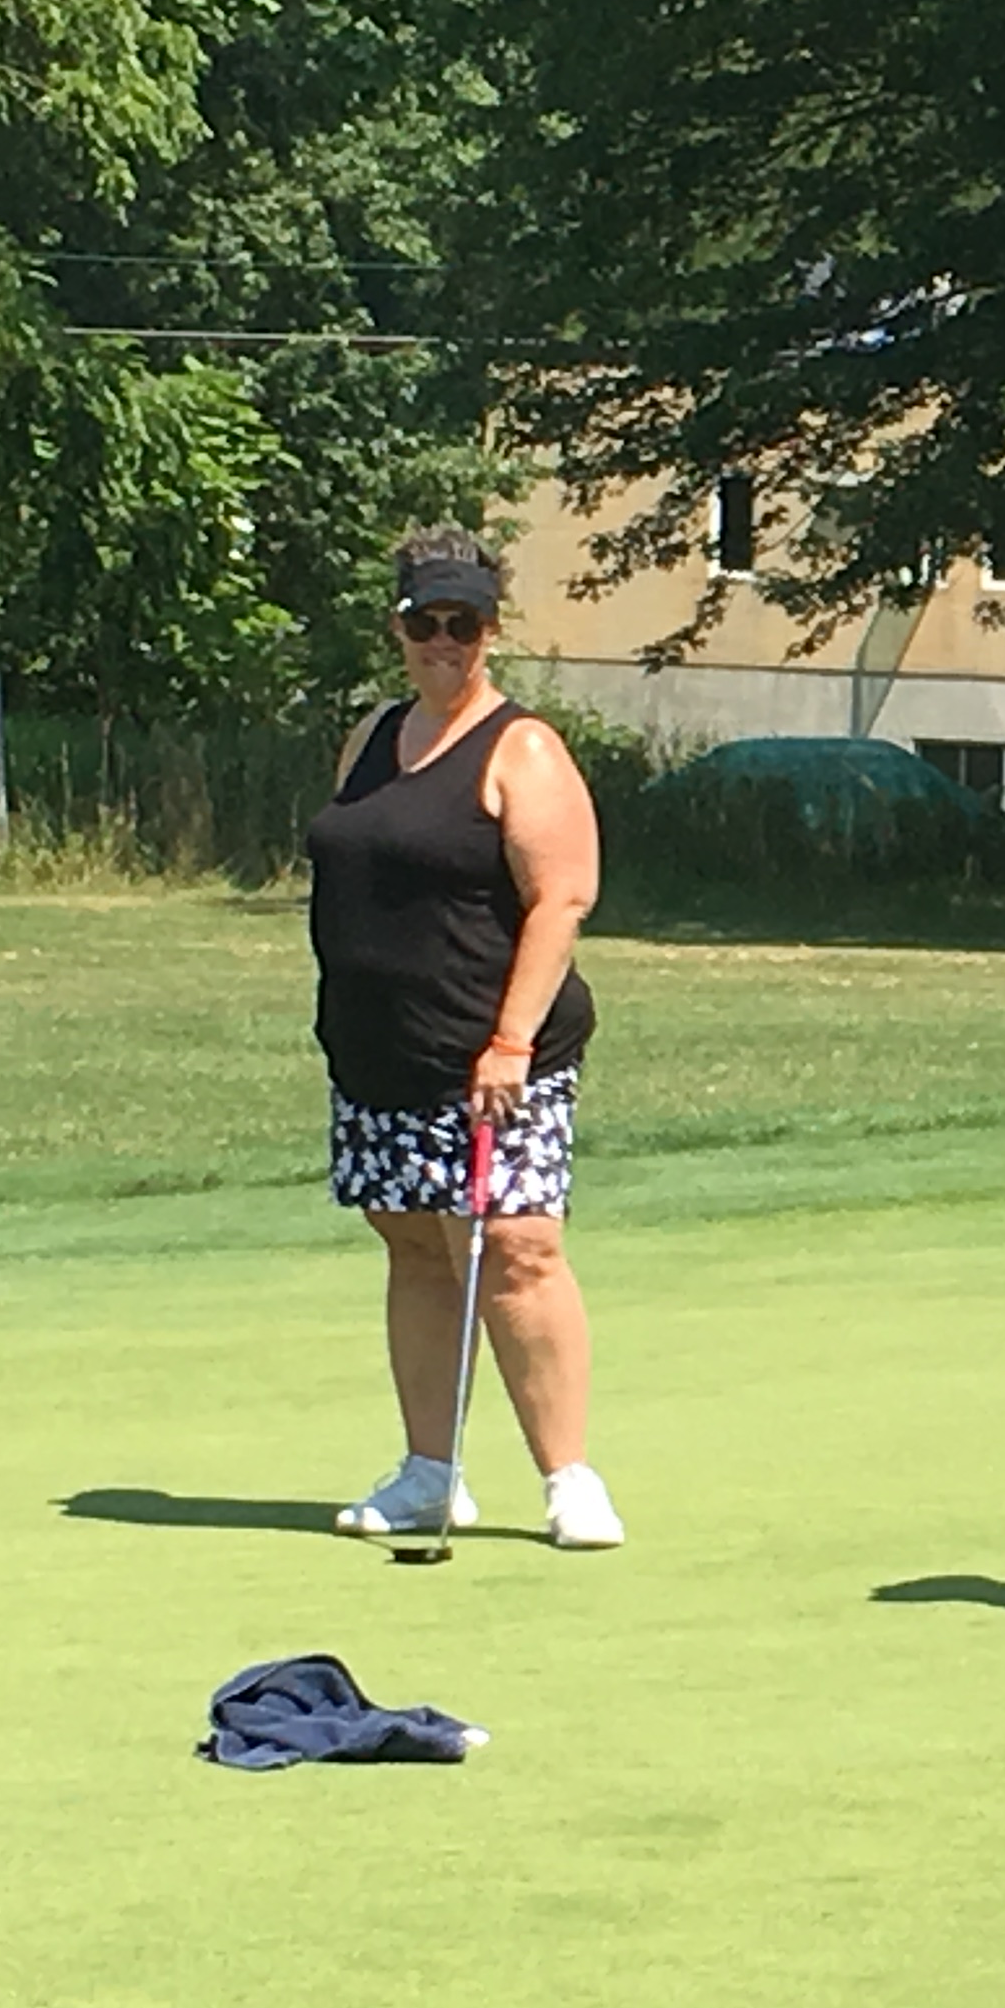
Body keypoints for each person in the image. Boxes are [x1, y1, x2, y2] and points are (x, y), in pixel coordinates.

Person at [307, 528, 624, 1550]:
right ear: (397, 625)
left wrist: (511, 1043)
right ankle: (429, 1473)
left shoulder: (521, 748)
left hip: (492, 1056)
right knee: (416, 1244)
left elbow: (562, 896)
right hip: (378, 1050)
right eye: (424, 621)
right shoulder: (373, 734)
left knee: (518, 1250)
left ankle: (569, 1479)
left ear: (490, 629)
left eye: (465, 623)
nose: (443, 641)